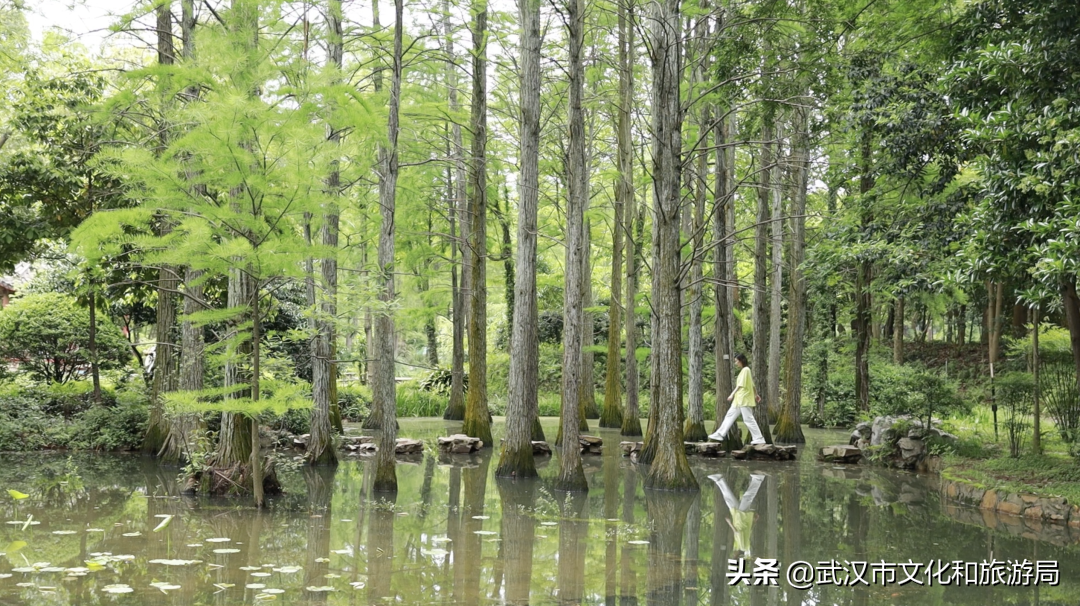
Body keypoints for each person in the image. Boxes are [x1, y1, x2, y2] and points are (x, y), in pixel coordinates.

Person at [708, 353, 766, 445]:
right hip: (739, 400)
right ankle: (720, 433)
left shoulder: (746, 370)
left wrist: (732, 394)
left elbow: (741, 385)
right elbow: (752, 384)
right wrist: (756, 394)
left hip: (744, 398)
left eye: (736, 361)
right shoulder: (744, 371)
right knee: (729, 415)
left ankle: (759, 438)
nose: (736, 363)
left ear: (741, 361)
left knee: (748, 419)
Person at [708, 472, 766, 558]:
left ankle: (719, 479)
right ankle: (758, 479)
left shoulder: (741, 546)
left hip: (738, 517)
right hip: (742, 517)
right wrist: (729, 523)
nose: (733, 554)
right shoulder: (742, 546)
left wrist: (754, 521)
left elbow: (748, 531)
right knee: (747, 497)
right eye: (733, 555)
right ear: (737, 555)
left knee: (729, 499)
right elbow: (738, 532)